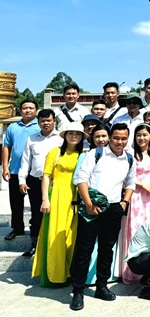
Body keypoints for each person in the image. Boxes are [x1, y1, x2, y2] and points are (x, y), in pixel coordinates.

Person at [70, 123, 135, 311]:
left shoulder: (129, 158)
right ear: (110, 137)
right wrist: (89, 204)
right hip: (92, 208)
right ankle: (78, 291)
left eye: (123, 138)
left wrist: (124, 202)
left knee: (107, 250)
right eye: (116, 138)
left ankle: (101, 286)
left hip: (113, 209)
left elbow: (131, 183)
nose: (119, 142)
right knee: (84, 250)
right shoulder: (96, 154)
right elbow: (81, 179)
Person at [31, 122, 84, 287]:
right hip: (57, 197)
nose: (74, 136)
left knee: (71, 237)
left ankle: (69, 272)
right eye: (70, 133)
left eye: (78, 133)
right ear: (65, 135)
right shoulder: (55, 152)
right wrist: (45, 199)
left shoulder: (84, 154)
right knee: (56, 236)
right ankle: (55, 275)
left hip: (76, 198)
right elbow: (46, 176)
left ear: (82, 137)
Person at [18, 108, 62, 256]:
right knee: (37, 213)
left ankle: (51, 244)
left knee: (53, 212)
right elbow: (25, 161)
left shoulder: (61, 139)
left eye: (49, 120)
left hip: (55, 182)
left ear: (54, 121)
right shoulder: (32, 139)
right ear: (38, 122)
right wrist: (22, 180)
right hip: (35, 181)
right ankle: (35, 243)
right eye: (43, 121)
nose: (46, 123)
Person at [121, 124, 150, 285]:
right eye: (138, 135)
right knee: (134, 231)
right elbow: (123, 176)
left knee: (149, 232)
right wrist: (142, 185)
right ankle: (131, 271)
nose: (141, 138)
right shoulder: (130, 153)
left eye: (145, 135)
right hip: (135, 196)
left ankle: (147, 269)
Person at [2, 99, 39, 241]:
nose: (27, 110)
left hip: (35, 172)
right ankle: (17, 228)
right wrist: (5, 167)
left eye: (31, 108)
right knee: (16, 202)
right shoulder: (13, 127)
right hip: (15, 170)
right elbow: (7, 147)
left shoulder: (40, 125)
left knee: (35, 203)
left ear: (36, 111)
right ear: (20, 110)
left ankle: (36, 229)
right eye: (24, 108)